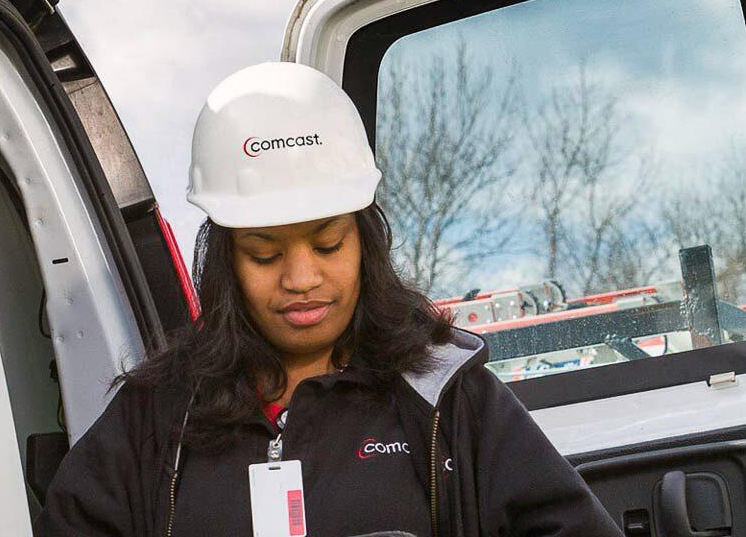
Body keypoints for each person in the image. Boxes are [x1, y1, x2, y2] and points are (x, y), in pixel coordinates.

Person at [36, 62, 622, 537]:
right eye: (264, 254)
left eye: (327, 244)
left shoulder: (444, 395)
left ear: (365, 243)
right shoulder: (158, 412)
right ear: (225, 262)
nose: (300, 278)